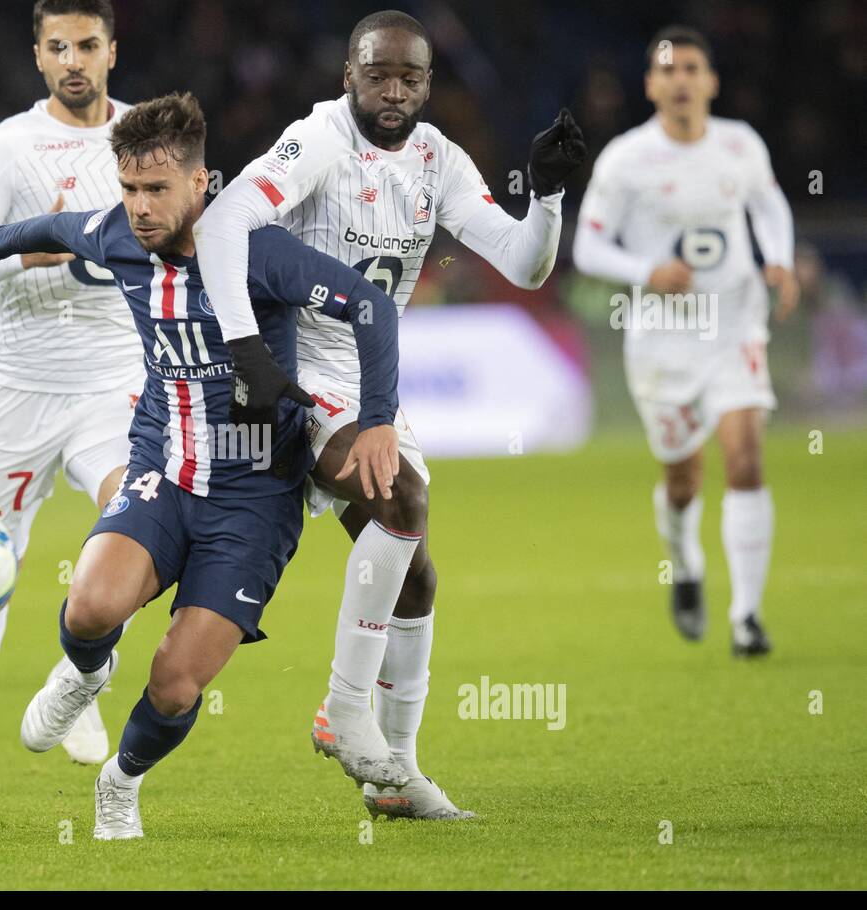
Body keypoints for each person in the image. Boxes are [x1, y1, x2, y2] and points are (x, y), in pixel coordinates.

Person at [0, 92, 402, 839]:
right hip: (163, 470)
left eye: (156, 189)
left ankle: (121, 781)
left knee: (177, 684)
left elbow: (371, 307)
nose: (140, 207)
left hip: (253, 502)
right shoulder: (115, 234)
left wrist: (377, 422)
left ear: (200, 184)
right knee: (89, 609)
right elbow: (54, 228)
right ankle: (87, 672)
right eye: (129, 188)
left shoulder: (259, 251)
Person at [192, 9, 586, 818]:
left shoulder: (440, 160)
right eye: (379, 75)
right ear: (349, 76)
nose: (394, 91)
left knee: (418, 578)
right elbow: (224, 219)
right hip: (296, 379)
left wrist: (545, 197)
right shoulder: (320, 141)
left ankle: (397, 777)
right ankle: (343, 709)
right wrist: (247, 351)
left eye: (410, 78)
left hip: (372, 379)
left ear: (429, 84)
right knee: (402, 497)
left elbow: (525, 263)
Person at [0, 0, 140, 796]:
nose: (75, 59)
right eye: (60, 47)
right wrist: (29, 257)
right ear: (39, 57)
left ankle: (80, 677)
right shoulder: (9, 148)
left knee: (137, 525)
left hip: (112, 381)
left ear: (113, 50)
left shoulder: (141, 138)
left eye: (89, 44)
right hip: (17, 387)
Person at [572, 25, 797, 656]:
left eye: (691, 68)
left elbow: (770, 205)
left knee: (746, 456)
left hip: (733, 324)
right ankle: (686, 564)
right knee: (683, 480)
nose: (680, 80)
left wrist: (776, 259)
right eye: (667, 70)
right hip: (664, 342)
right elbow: (588, 245)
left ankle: (747, 617)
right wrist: (648, 272)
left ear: (710, 81)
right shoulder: (625, 159)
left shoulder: (740, 144)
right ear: (650, 85)